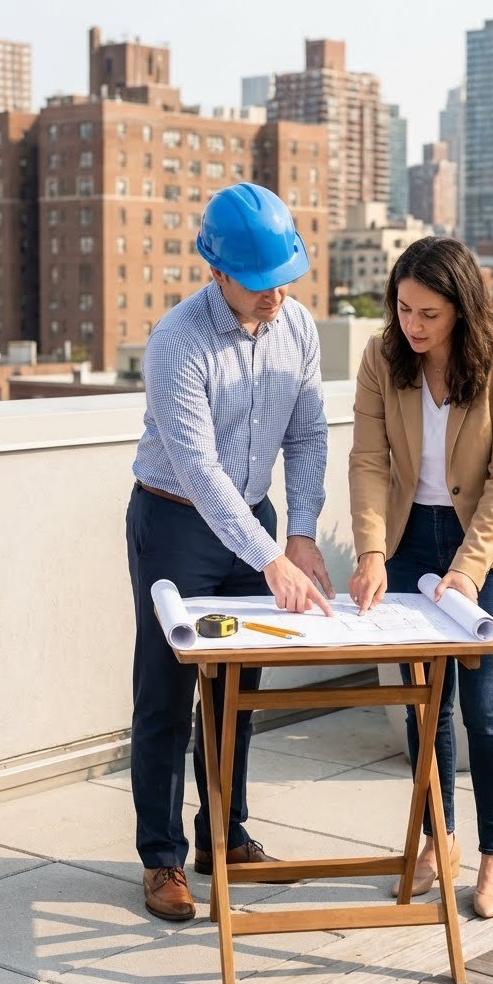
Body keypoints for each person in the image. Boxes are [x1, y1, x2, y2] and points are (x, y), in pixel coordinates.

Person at [127, 183, 334, 922]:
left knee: (237, 693)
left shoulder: (298, 326)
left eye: (284, 276)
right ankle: (162, 857)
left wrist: (299, 532)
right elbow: (200, 473)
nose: (276, 294)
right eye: (259, 281)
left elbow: (308, 434)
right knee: (166, 692)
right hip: (177, 519)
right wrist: (269, 557)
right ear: (216, 271)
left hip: (257, 517)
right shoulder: (177, 341)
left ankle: (225, 836)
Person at [348, 236, 493, 918]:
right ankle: (439, 837)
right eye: (404, 308)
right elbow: (369, 460)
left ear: (461, 307)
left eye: (429, 312)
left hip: (490, 545)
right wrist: (372, 549)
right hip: (410, 540)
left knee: (487, 709)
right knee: (421, 703)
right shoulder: (382, 358)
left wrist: (466, 570)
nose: (414, 325)